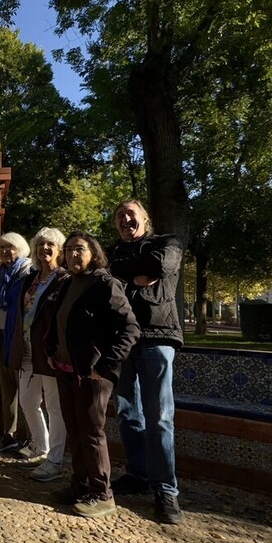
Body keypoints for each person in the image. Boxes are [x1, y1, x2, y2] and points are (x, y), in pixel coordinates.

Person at [46, 232, 140, 518]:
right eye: (70, 249)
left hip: (92, 375)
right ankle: (80, 484)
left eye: (80, 249)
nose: (74, 254)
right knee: (74, 429)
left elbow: (130, 329)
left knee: (90, 433)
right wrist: (51, 349)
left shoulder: (104, 284)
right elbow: (58, 320)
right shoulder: (67, 283)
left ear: (93, 253)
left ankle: (102, 494)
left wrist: (103, 367)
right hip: (65, 370)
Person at [107, 199, 185, 524]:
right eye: (120, 217)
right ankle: (138, 475)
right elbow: (109, 273)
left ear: (145, 219)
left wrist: (135, 267)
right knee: (127, 412)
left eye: (131, 214)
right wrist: (136, 269)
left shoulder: (168, 243)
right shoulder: (114, 252)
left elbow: (161, 266)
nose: (126, 220)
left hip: (158, 336)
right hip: (124, 337)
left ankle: (166, 490)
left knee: (160, 416)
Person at [7, 227, 70, 481]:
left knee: (54, 406)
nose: (45, 249)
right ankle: (40, 448)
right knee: (28, 401)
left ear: (59, 250)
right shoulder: (30, 280)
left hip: (49, 352)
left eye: (51, 245)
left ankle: (54, 459)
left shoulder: (64, 279)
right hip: (26, 349)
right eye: (41, 244)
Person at [0, 231, 32, 453]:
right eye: (1, 248)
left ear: (20, 249)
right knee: (7, 388)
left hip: (19, 338)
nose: (5, 252)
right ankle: (8, 436)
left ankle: (31, 439)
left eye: (9, 247)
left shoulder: (28, 274)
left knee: (27, 392)